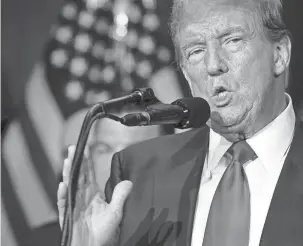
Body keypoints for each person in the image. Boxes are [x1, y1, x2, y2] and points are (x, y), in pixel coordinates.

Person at [57, 0, 303, 245]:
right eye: (196, 51)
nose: (213, 65)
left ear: (279, 55)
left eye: (233, 40)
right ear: (186, 74)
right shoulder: (139, 172)